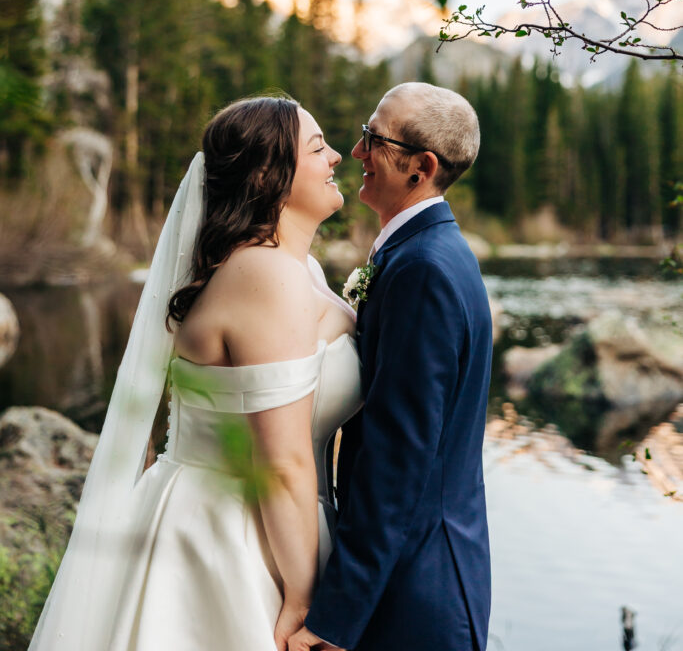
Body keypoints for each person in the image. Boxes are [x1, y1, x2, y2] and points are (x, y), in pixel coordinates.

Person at [28, 96, 362, 651]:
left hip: (276, 523)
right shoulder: (264, 275)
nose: (336, 158)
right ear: (267, 175)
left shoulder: (293, 267)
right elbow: (280, 460)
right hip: (231, 539)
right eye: (318, 147)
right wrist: (305, 601)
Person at [291, 82, 493, 651]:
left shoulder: (423, 269)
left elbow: (396, 460)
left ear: (421, 167)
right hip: (410, 570)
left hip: (415, 593)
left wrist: (336, 618)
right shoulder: (417, 253)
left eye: (372, 139)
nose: (356, 152)